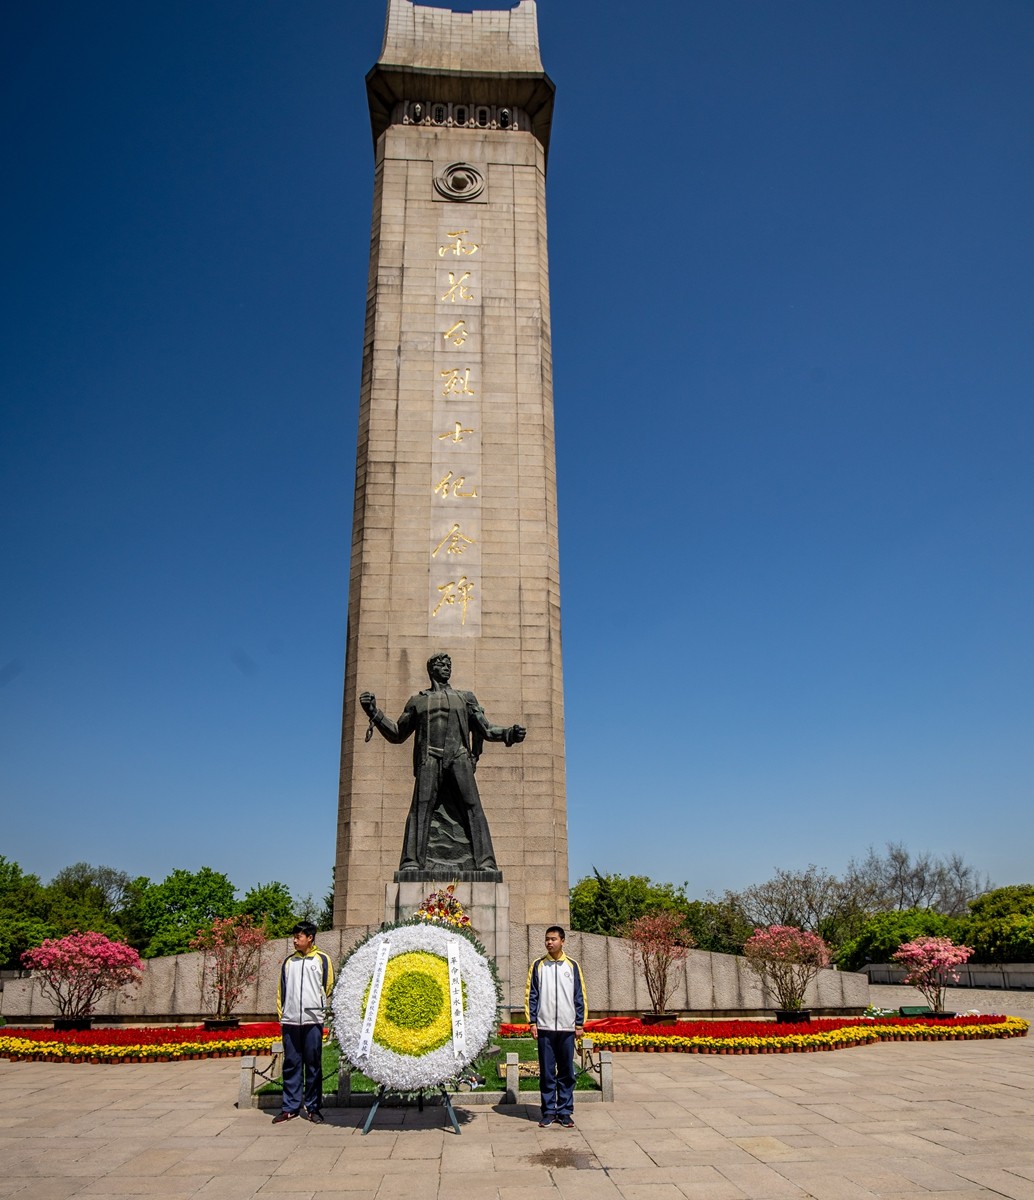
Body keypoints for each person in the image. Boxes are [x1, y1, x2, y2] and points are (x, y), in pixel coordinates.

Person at [360, 652, 526, 871]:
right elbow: (398, 733)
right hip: (429, 757)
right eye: (441, 664)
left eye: (449, 664)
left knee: (473, 806)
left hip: (458, 756)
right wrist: (374, 712)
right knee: (420, 808)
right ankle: (411, 862)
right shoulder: (418, 701)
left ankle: (486, 862)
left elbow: (485, 728)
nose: (447, 667)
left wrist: (509, 733)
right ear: (431, 669)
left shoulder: (465, 697)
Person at [273, 921, 334, 1125]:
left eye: (298, 937)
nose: (294, 940)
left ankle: (313, 1107)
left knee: (313, 1064)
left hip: (312, 1019)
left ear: (310, 938)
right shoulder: (289, 962)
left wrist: (316, 1006)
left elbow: (328, 986)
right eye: (294, 936)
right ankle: (290, 1107)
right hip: (291, 1020)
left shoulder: (322, 959)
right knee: (291, 1064)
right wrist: (284, 1014)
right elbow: (282, 989)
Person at [526, 925, 586, 1128]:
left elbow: (580, 995)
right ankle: (549, 1111)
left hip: (567, 1028)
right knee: (547, 1072)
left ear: (562, 941)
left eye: (553, 939)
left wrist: (579, 1023)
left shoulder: (572, 966)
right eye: (547, 939)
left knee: (567, 1071)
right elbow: (531, 996)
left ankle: (565, 1111)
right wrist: (532, 1022)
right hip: (544, 1028)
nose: (549, 942)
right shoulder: (538, 966)